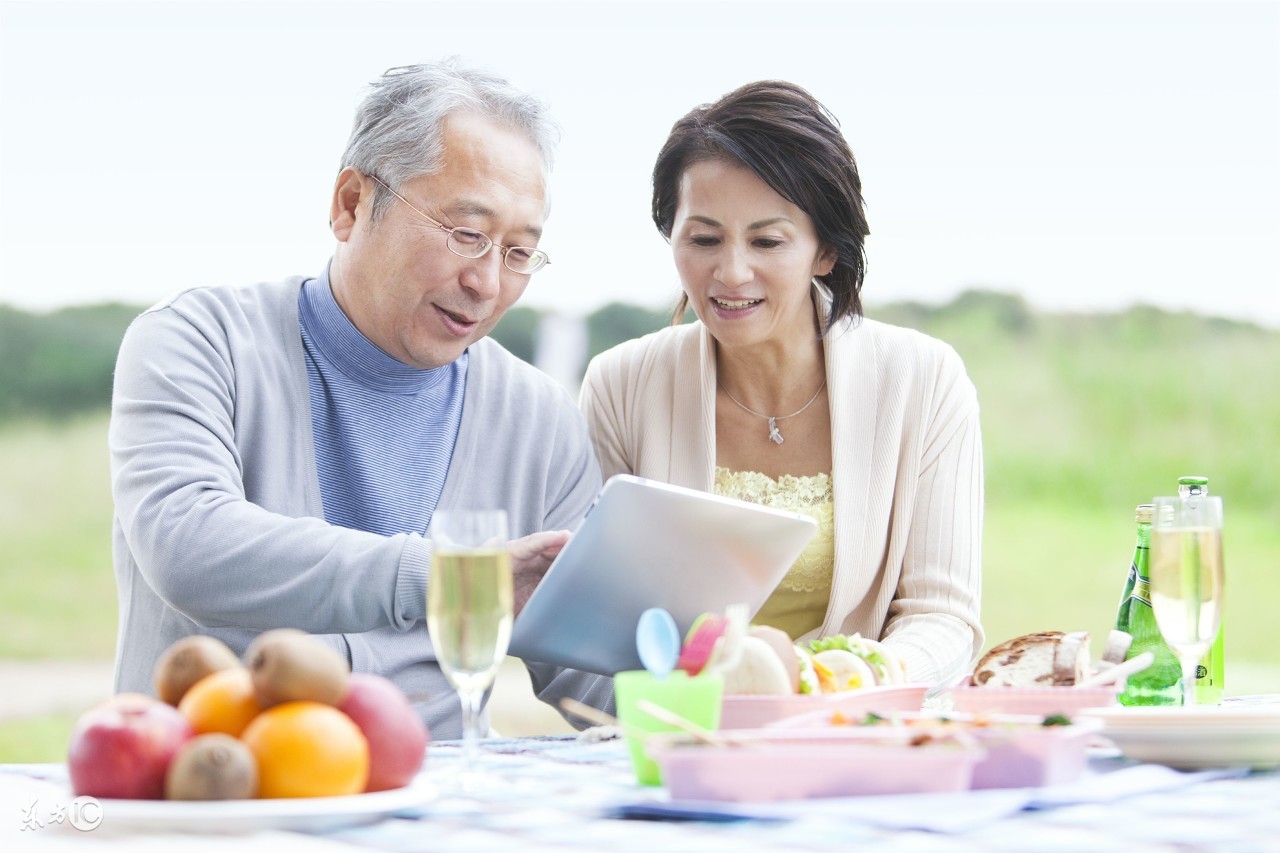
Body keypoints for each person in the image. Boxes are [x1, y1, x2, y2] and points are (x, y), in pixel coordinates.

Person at [109, 59, 614, 738]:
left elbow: (591, 675)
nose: (488, 281)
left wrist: (726, 672)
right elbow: (187, 543)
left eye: (519, 251)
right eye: (466, 233)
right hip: (220, 794)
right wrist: (455, 578)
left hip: (439, 817)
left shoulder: (538, 416)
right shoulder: (195, 340)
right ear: (350, 203)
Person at [579, 80, 984, 687]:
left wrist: (835, 682)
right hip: (685, 734)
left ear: (826, 251)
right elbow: (601, 616)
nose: (731, 272)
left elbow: (943, 617)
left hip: (856, 730)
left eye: (767, 240)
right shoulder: (620, 385)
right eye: (704, 239)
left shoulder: (923, 380)